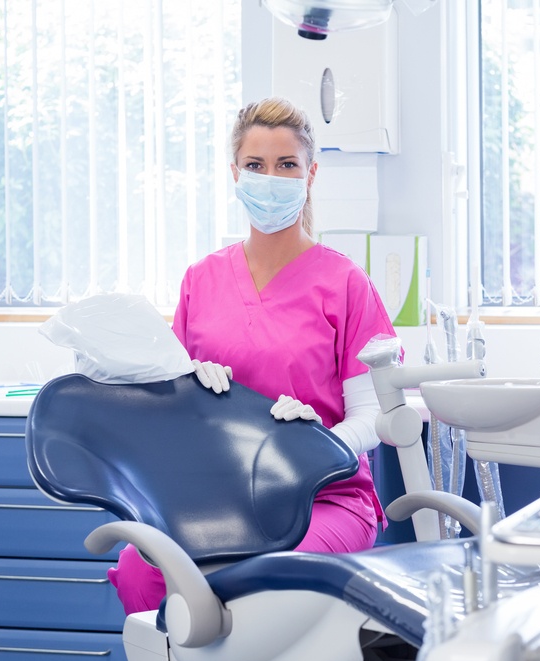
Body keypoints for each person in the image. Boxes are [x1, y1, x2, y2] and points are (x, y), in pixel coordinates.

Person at [107, 96, 397, 614]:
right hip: (222, 498)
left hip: (323, 498)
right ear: (235, 174)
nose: (271, 178)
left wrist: (319, 442)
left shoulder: (345, 283)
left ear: (310, 174)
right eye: (256, 165)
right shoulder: (202, 280)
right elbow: (170, 409)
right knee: (140, 570)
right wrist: (187, 388)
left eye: (287, 165)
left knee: (268, 584)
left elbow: (375, 414)